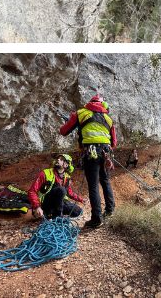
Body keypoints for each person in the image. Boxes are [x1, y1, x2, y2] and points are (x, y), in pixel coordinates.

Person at [59, 94, 117, 228]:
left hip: (91, 152)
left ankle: (97, 219)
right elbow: (114, 142)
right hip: (106, 152)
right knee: (105, 181)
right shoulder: (108, 118)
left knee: (93, 186)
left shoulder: (80, 113)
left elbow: (64, 131)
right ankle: (110, 211)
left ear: (90, 102)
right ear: (103, 105)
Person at [27, 153, 85, 220]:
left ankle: (55, 214)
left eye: (61, 159)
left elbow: (69, 193)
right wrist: (37, 207)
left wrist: (81, 199)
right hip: (45, 204)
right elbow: (32, 191)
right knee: (61, 190)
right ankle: (56, 217)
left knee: (78, 211)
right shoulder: (45, 173)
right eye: (58, 158)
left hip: (59, 204)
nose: (58, 160)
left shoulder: (66, 177)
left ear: (66, 165)